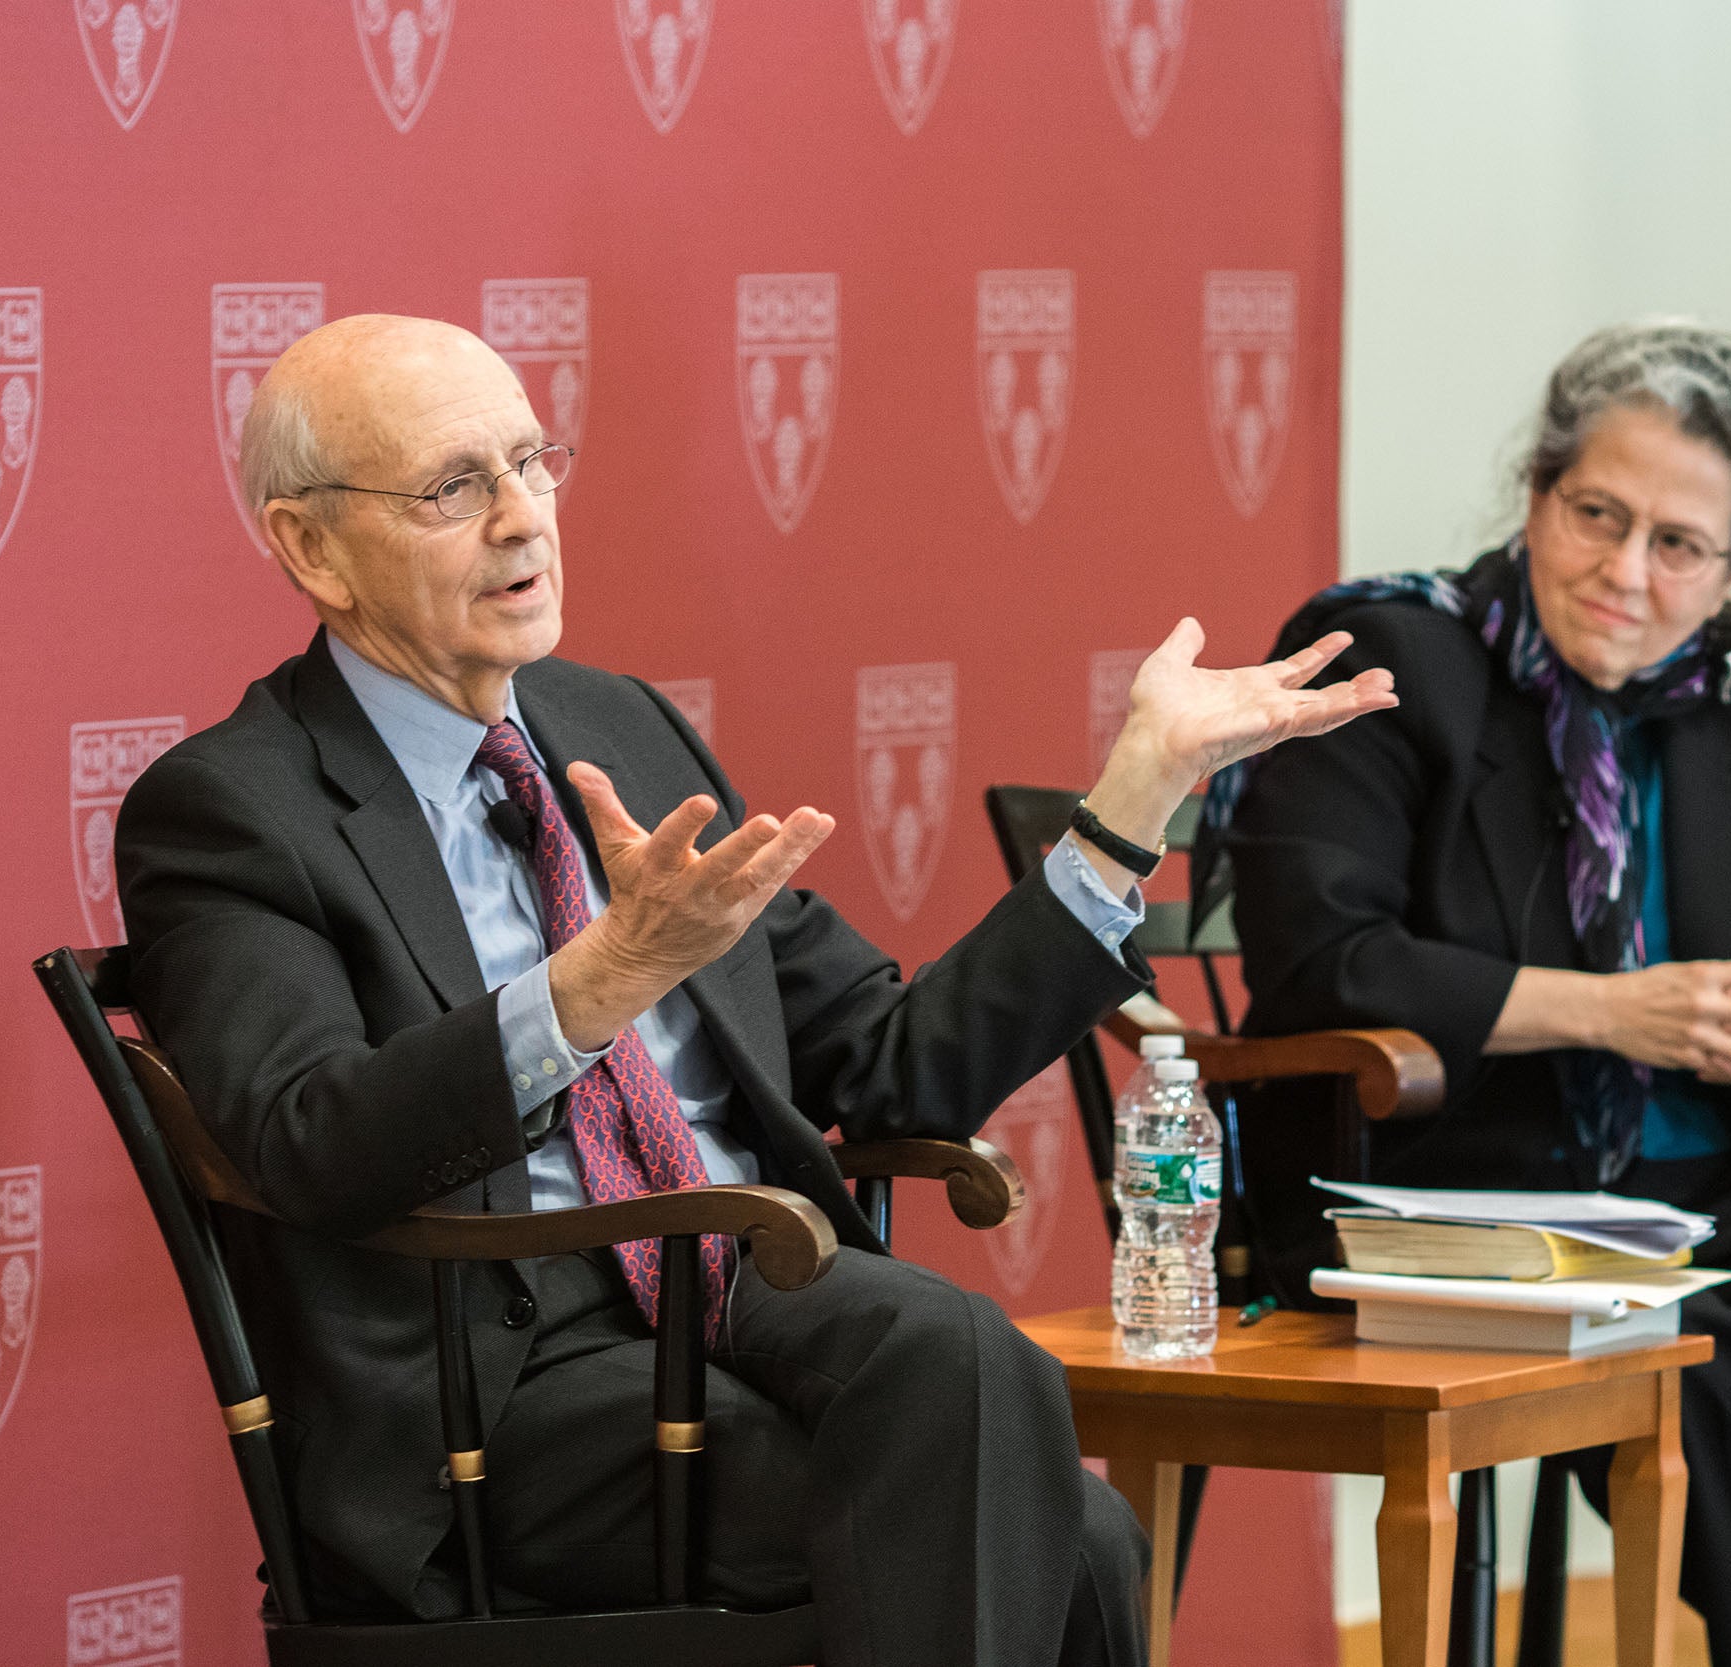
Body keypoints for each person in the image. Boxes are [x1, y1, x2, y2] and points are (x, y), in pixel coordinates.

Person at [113, 314, 1392, 1666]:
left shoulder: (619, 730)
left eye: (531, 461)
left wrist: (1136, 797)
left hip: (740, 1291)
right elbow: (312, 1143)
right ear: (310, 545)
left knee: (1015, 1439)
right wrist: (599, 984)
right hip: (496, 1396)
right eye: (452, 487)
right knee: (1041, 1498)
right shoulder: (231, 810)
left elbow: (897, 1062)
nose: (519, 519)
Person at [1211, 322, 1731, 1667]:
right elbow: (1320, 963)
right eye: (1598, 514)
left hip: (1710, 1177)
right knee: (1678, 1352)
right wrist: (1610, 1009)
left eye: (1679, 545)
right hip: (1442, 1190)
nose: (1625, 574)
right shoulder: (1386, 654)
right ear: (1535, 494)